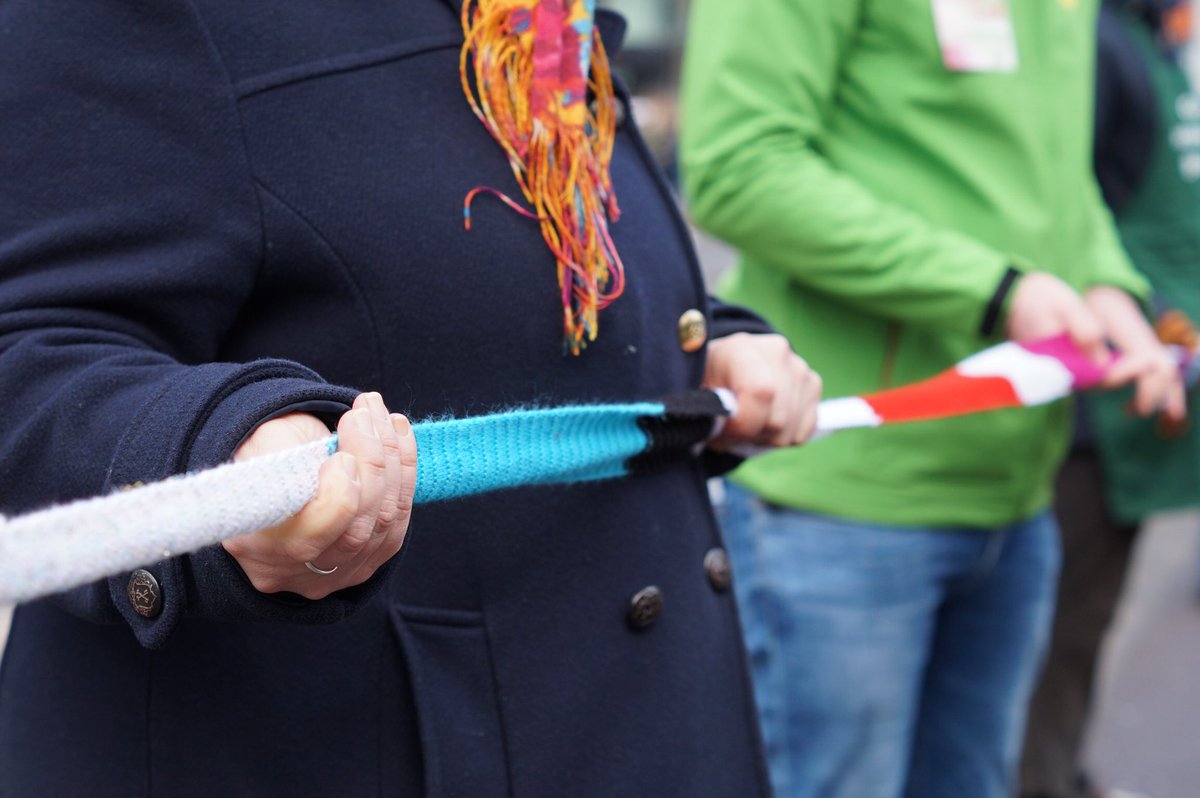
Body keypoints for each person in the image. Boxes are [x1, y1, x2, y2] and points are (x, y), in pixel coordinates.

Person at [0, 1, 822, 795]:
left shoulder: (534, 14)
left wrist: (702, 342)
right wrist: (223, 443)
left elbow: (465, 263)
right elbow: (33, 341)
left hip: (630, 719)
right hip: (357, 744)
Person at [680, 1, 1184, 797]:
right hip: (845, 506)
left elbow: (1054, 175)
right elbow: (740, 165)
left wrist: (1110, 290)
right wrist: (994, 291)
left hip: (1017, 501)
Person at [1020, 2, 1200, 796]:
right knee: (1050, 641)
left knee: (1081, 634)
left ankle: (1063, 773)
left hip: (1147, 380)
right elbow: (1066, 212)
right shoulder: (1094, 40)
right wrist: (1150, 313)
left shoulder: (1150, 41)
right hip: (1095, 401)